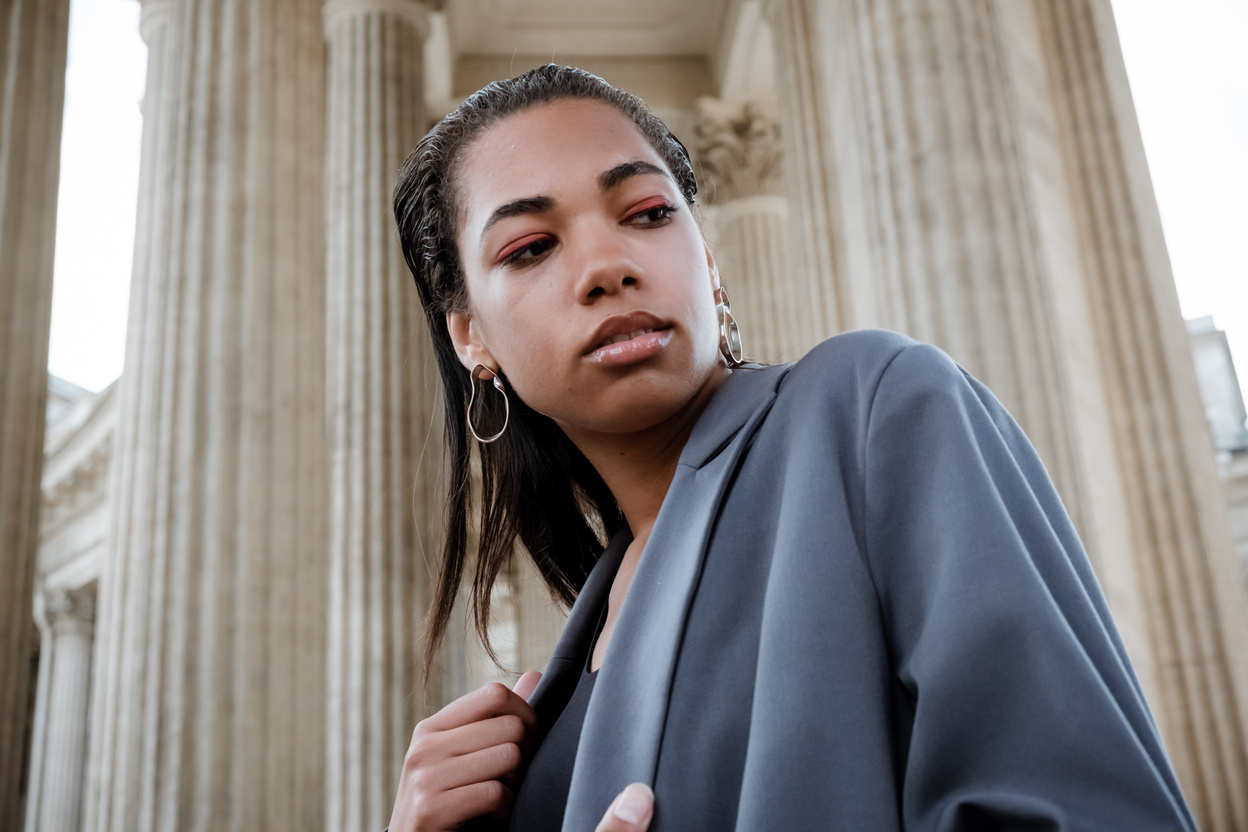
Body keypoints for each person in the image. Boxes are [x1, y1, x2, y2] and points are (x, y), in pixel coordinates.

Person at [386, 64, 1197, 832]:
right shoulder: (551, 696)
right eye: (531, 247)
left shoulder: (875, 407)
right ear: (470, 338)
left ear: (707, 261)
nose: (607, 265)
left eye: (647, 213)